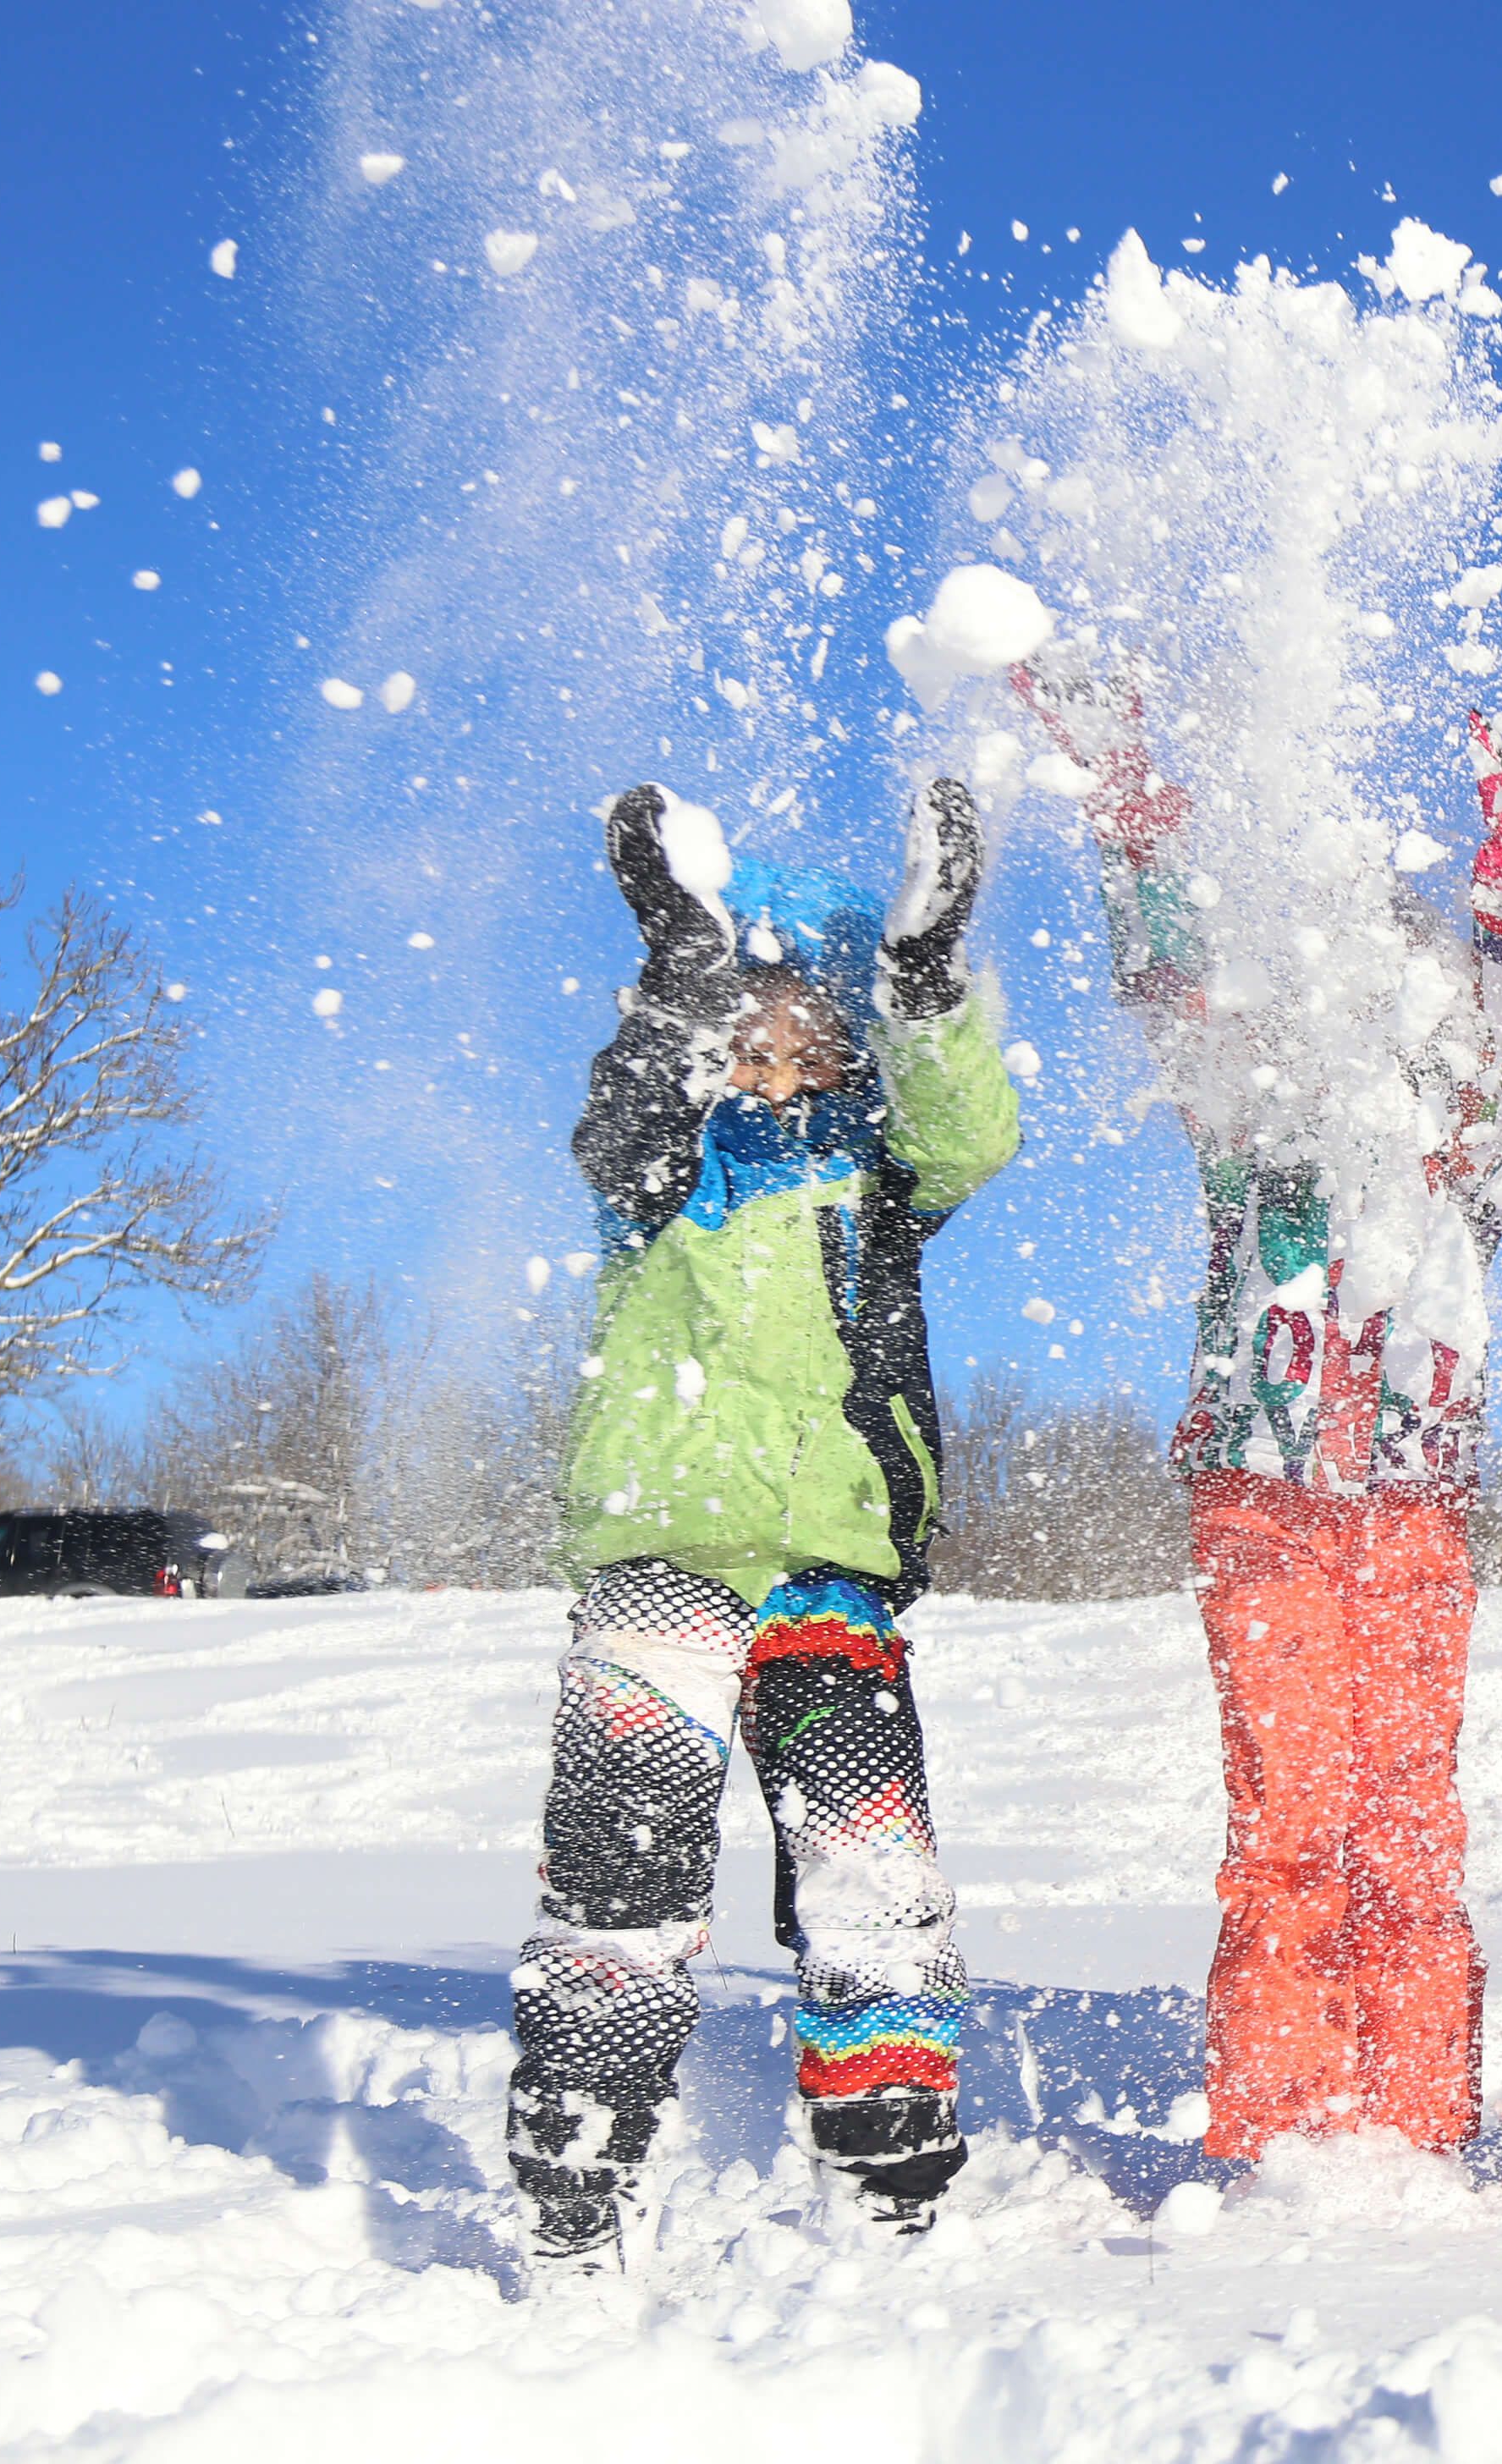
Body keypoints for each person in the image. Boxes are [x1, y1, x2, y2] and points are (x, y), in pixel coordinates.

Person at [1009, 650, 1502, 2164]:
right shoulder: (1254, 1133)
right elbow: (1171, 984)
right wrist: (1131, 809)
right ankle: (1278, 2131)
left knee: (1409, 1825)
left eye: (1417, 1005)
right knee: (1290, 1823)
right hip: (1265, 1498)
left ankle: (1412, 2131)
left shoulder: (1476, 1164)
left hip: (1416, 1506)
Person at [506, 775, 1018, 2275]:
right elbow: (625, 1114)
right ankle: (579, 2173)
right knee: (624, 1867)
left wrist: (923, 979)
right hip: (660, 1561)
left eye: (816, 1038)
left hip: (832, 1565)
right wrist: (679, 960)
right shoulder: (659, 1181)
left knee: (870, 1875)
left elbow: (970, 1127)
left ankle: (892, 2170)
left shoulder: (886, 1183)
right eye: (752, 1036)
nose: (780, 1066)